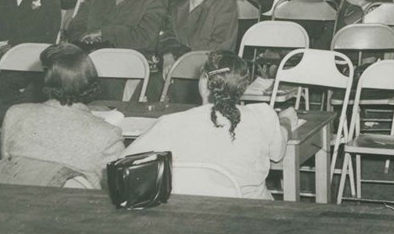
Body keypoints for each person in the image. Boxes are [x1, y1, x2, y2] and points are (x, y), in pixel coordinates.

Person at [125, 51, 291, 200]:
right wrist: (285, 122)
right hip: (252, 219)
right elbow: (278, 153)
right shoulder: (262, 116)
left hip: (187, 218)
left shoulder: (171, 123)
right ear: (243, 86)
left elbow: (124, 165)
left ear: (204, 82)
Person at [0, 44, 125, 188]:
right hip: (74, 207)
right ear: (91, 82)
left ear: (45, 78)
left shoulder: (15, 114)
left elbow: (7, 168)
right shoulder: (108, 135)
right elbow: (117, 190)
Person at [165, 0, 239, 60]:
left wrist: (182, 58)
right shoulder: (176, 7)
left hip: (211, 65)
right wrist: (167, 56)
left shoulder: (223, 4)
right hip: (178, 64)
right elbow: (167, 36)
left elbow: (221, 45)